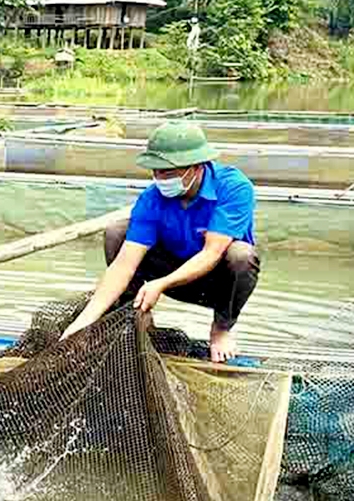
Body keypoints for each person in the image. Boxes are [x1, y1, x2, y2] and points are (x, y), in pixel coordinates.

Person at [61, 122, 260, 362]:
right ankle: (135, 320)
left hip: (213, 282)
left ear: (195, 168)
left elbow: (212, 253)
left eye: (167, 172)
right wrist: (82, 322)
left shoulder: (234, 187)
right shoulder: (152, 198)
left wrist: (161, 284)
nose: (158, 178)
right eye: (155, 170)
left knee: (241, 255)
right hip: (170, 273)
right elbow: (124, 265)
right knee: (117, 232)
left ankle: (220, 330)